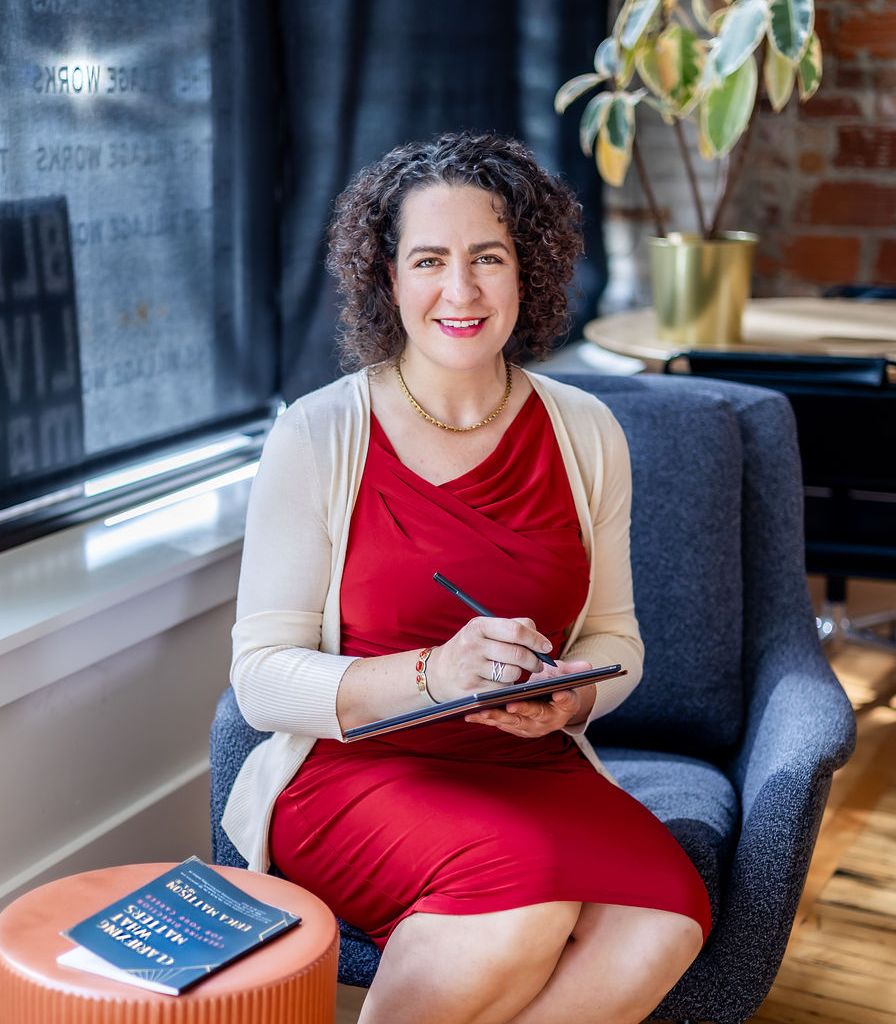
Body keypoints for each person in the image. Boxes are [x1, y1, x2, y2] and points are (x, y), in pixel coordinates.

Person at [223, 131, 711, 1024]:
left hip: (532, 764)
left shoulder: (587, 430)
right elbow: (258, 681)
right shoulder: (317, 434)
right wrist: (431, 676)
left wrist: (573, 700)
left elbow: (617, 639)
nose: (461, 291)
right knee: (520, 912)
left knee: (665, 918)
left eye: (489, 257)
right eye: (429, 261)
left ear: (530, 270)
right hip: (360, 770)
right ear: (388, 276)